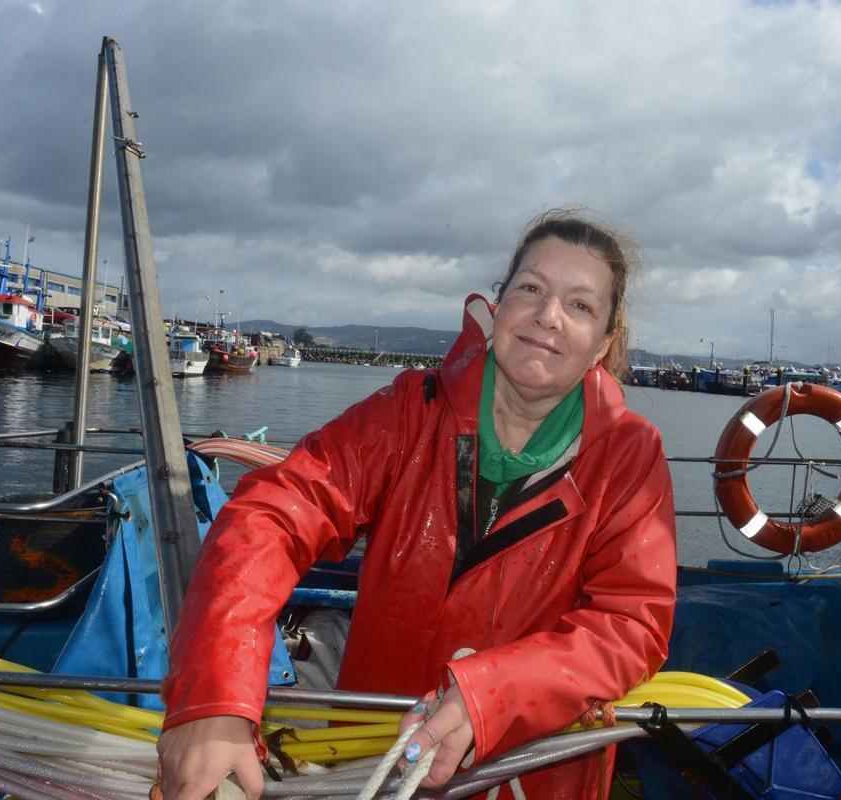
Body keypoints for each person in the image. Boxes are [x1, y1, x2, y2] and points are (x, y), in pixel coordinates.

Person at [156, 209, 678, 799]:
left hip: (533, 774)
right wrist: (216, 692)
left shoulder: (630, 457)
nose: (548, 316)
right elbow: (273, 513)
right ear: (499, 305)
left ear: (605, 341)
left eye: (580, 305)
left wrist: (493, 694)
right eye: (531, 288)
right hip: (372, 762)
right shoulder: (411, 410)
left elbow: (631, 623)